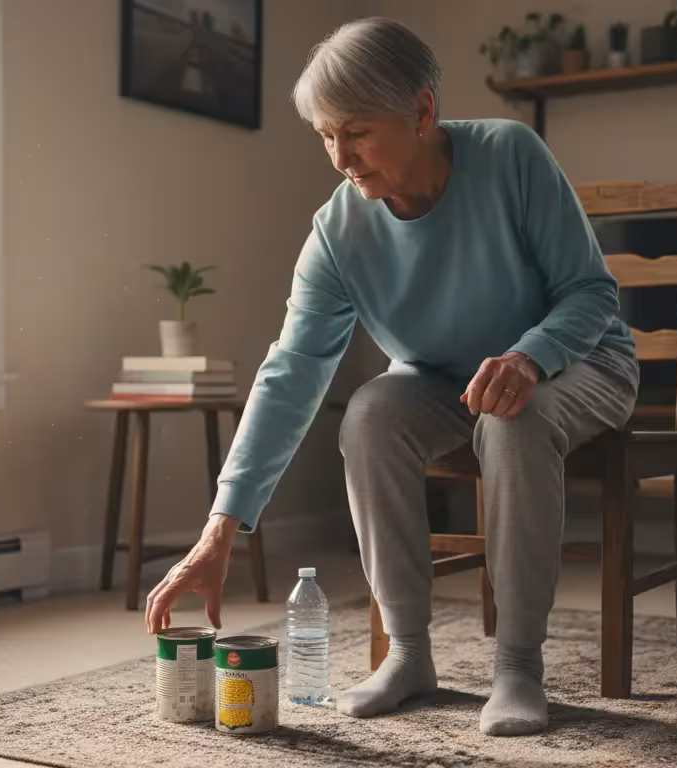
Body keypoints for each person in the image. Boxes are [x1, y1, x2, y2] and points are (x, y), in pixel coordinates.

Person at [144, 17, 638, 737]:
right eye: (324, 135)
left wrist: (529, 356)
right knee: (370, 413)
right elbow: (290, 372)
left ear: (423, 110)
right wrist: (223, 529)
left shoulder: (510, 155)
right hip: (444, 382)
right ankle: (409, 654)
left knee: (513, 417)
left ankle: (518, 666)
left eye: (358, 131)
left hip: (583, 361)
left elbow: (592, 293)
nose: (341, 156)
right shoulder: (338, 232)